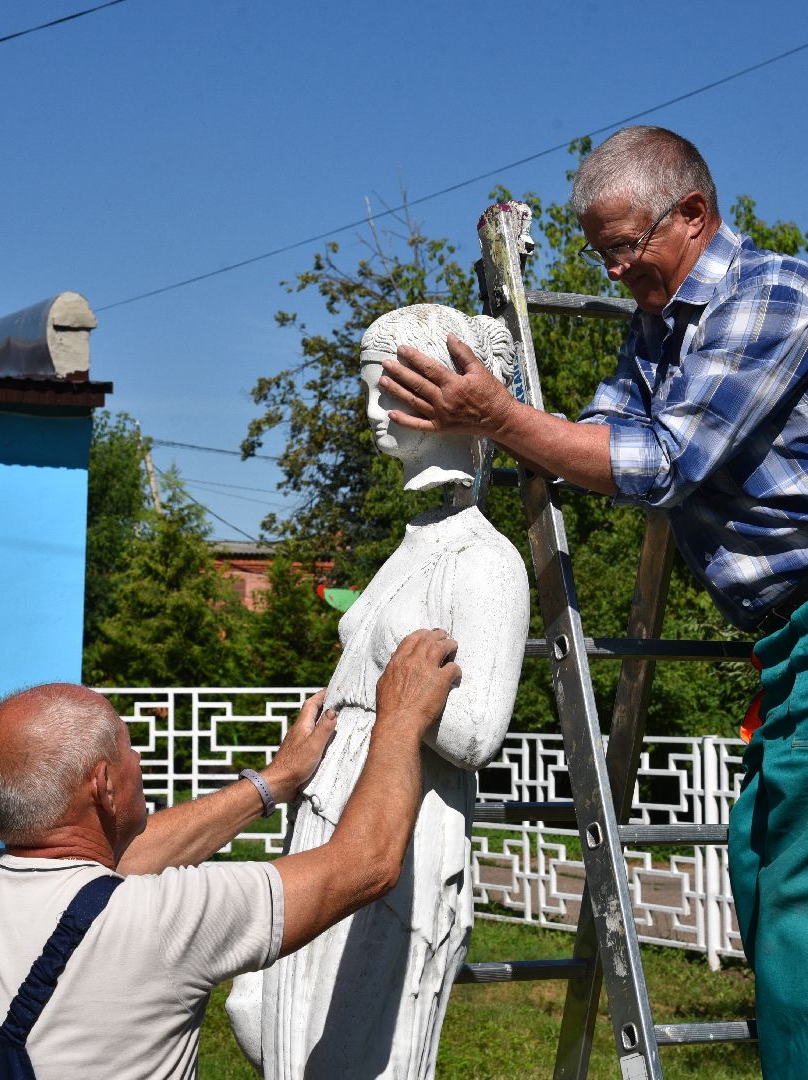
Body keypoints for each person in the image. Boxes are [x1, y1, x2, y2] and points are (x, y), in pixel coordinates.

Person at [376, 126, 808, 1079]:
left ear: (694, 215)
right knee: (764, 866)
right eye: (601, 253)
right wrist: (509, 425)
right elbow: (597, 438)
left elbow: (658, 464)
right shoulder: (656, 332)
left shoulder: (768, 297)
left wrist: (498, 415)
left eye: (628, 246)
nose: (618, 270)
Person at [0, 627, 462, 1080]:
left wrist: (275, 781)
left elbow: (113, 863)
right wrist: (401, 718)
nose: (139, 763)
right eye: (128, 749)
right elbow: (364, 865)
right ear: (104, 785)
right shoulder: (165, 919)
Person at [226, 304, 530, 1079]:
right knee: (259, 1016)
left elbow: (477, 734)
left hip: (402, 822)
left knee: (351, 1059)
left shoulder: (486, 562)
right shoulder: (412, 545)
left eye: (385, 392)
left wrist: (400, 693)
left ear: (445, 396)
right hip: (327, 805)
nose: (369, 414)